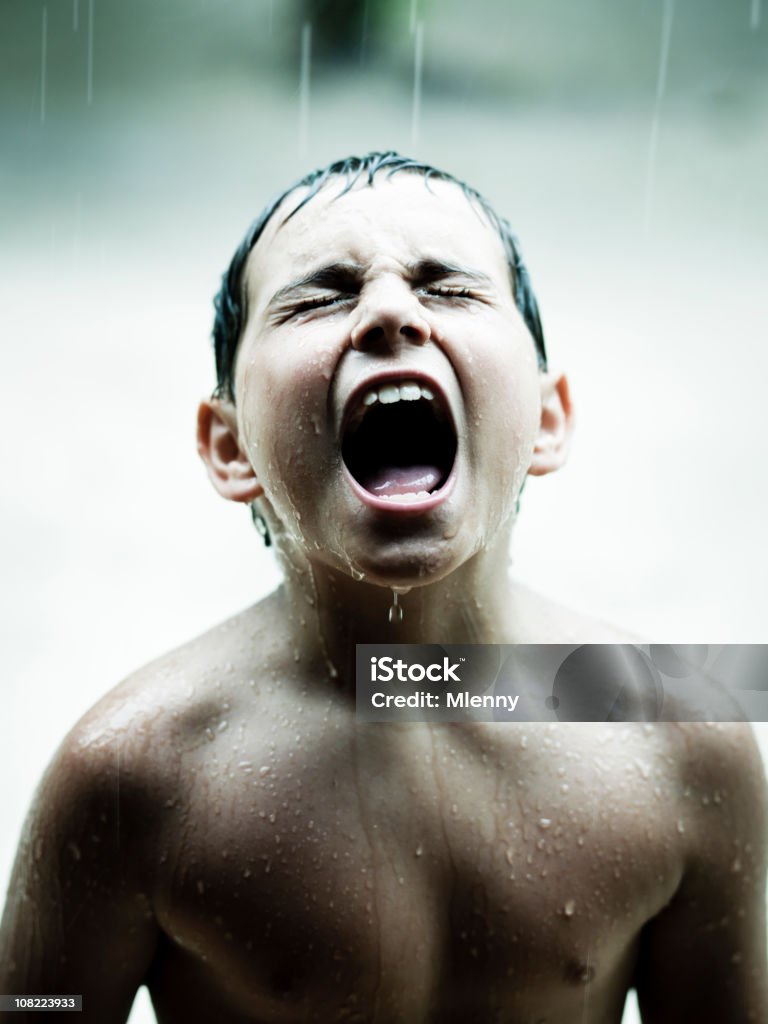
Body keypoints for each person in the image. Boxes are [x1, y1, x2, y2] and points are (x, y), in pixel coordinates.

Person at [1, 152, 765, 1023]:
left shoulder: (683, 737)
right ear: (231, 445)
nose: (391, 311)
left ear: (547, 420)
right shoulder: (134, 776)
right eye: (320, 295)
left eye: (449, 288)